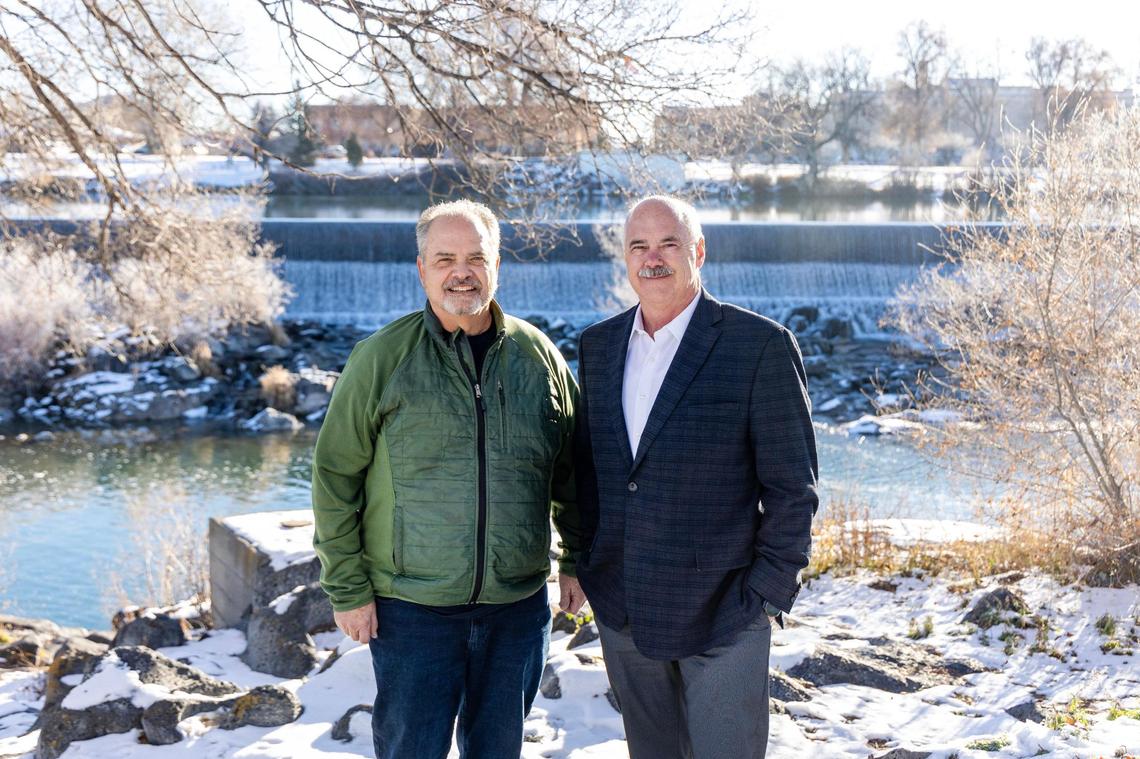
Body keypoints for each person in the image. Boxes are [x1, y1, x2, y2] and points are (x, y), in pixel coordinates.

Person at [311, 199, 586, 759]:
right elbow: (335, 476)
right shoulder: (381, 359)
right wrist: (347, 587)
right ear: (422, 270)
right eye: (445, 259)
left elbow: (575, 473)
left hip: (516, 609)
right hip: (412, 611)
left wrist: (576, 561)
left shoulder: (540, 359)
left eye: (474, 257)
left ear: (496, 265)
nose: (461, 271)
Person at [573, 195, 818, 759]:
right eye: (639, 246)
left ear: (698, 251)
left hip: (725, 612)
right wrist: (588, 561)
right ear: (625, 258)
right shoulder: (598, 346)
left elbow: (793, 488)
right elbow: (590, 470)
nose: (652, 259)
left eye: (668, 245)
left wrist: (766, 594)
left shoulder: (758, 346)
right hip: (624, 605)